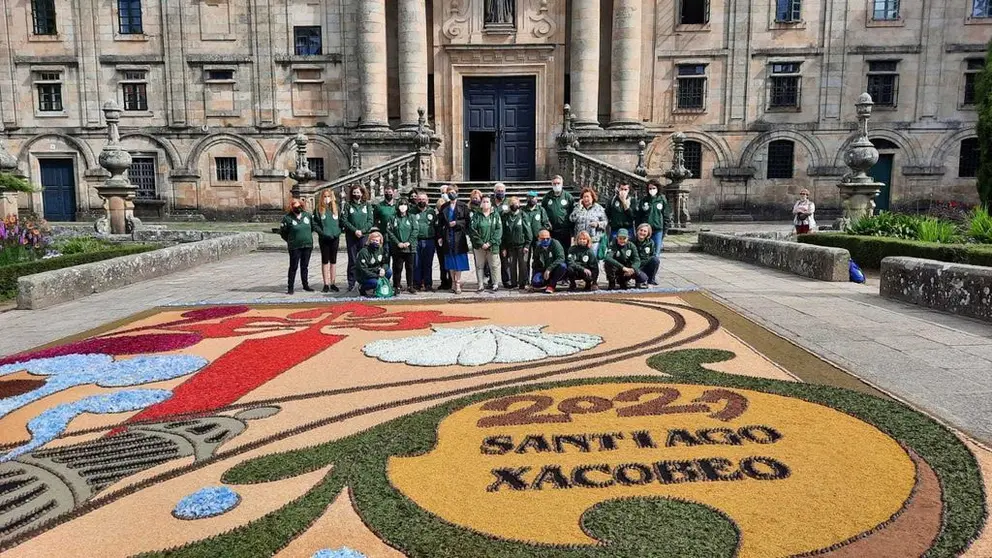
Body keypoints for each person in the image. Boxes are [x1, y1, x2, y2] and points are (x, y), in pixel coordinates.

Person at [439, 185, 472, 294]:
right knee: (450, 260)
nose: (451, 194)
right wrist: (440, 236)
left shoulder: (463, 206)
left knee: (458, 261)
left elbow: (467, 222)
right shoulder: (444, 207)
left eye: (453, 192)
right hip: (447, 236)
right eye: (449, 192)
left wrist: (457, 223)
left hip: (459, 237)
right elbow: (440, 223)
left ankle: (458, 282)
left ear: (457, 193)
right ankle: (452, 281)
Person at [279, 198, 316, 294]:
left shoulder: (307, 215)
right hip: (295, 246)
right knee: (293, 266)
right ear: (292, 207)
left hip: (307, 244)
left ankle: (305, 285)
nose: (297, 208)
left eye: (299, 206)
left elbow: (312, 227)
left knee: (305, 266)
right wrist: (291, 240)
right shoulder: (287, 218)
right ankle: (290, 287)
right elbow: (283, 232)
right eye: (295, 207)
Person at [342, 185, 374, 291]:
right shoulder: (348, 205)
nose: (356, 194)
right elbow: (345, 220)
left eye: (358, 192)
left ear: (362, 193)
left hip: (364, 236)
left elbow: (370, 220)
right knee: (352, 259)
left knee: (364, 259)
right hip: (351, 236)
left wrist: (362, 231)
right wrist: (355, 230)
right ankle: (351, 283)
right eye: (354, 192)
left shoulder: (367, 205)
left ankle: (364, 281)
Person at [470, 196, 503, 292]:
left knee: (494, 265)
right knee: (479, 266)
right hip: (479, 246)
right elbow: (473, 230)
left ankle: (495, 284)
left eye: (487, 202)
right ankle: (480, 285)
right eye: (483, 201)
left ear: (490, 203)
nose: (485, 203)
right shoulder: (476, 215)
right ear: (481, 203)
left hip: (492, 246)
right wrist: (481, 243)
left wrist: (490, 243)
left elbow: (499, 230)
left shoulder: (495, 215)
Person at [388, 197, 419, 294]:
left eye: (405, 204)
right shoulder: (393, 217)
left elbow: (415, 230)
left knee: (410, 267)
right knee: (398, 267)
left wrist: (408, 242)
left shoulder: (412, 217)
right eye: (401, 204)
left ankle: (410, 286)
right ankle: (397, 286)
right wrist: (398, 243)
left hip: (409, 247)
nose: (403, 207)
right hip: (398, 247)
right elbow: (390, 231)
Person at [313, 189, 341, 293]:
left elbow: (340, 222)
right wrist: (322, 233)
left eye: (328, 196)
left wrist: (338, 232)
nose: (326, 199)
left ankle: (333, 282)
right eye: (324, 197)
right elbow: (315, 224)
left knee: (333, 260)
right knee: (325, 260)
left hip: (335, 237)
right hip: (324, 238)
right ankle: (325, 283)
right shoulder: (318, 209)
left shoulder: (336, 208)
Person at [501, 196, 531, 290]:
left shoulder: (523, 215)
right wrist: (503, 247)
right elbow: (503, 233)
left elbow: (528, 231)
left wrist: (527, 244)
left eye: (516, 203)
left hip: (522, 245)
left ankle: (523, 283)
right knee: (511, 265)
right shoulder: (506, 216)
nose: (514, 205)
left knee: (523, 265)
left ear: (519, 204)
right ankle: (513, 283)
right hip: (510, 246)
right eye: (512, 203)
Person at [638, 179, 673, 256]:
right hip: (645, 231)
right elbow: (639, 216)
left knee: (656, 254)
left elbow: (666, 216)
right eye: (650, 188)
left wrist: (664, 231)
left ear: (658, 189)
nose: (652, 190)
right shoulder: (644, 200)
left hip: (658, 230)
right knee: (645, 253)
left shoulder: (662, 200)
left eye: (654, 188)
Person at [411, 189, 437, 291]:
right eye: (420, 199)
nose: (422, 201)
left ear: (427, 200)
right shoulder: (411, 211)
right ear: (416, 200)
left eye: (424, 199)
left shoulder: (431, 211)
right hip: (416, 240)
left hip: (429, 240)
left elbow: (436, 225)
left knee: (428, 263)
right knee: (416, 263)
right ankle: (417, 283)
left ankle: (428, 284)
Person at [569, 187, 608, 255]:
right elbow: (572, 219)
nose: (586, 199)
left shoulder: (599, 208)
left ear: (592, 197)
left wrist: (598, 224)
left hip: (593, 240)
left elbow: (605, 222)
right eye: (584, 197)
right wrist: (579, 207)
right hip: (580, 240)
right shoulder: (577, 207)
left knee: (593, 261)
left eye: (588, 197)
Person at [542, 175, 575, 252]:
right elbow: (543, 212)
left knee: (565, 251)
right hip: (552, 230)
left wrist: (572, 232)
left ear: (562, 184)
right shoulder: (547, 197)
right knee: (553, 251)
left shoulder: (568, 197)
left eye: (558, 183)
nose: (556, 185)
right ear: (552, 185)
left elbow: (573, 213)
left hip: (565, 231)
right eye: (554, 184)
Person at [355, 230, 391, 297]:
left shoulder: (381, 249)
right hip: (364, 275)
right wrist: (377, 276)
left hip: (376, 271)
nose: (375, 242)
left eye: (377, 241)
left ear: (380, 242)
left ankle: (378, 288)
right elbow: (363, 270)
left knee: (388, 272)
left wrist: (383, 269)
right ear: (369, 241)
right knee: (376, 282)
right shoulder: (364, 252)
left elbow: (385, 262)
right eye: (373, 240)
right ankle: (362, 288)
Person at [531, 229, 567, 294]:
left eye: (547, 238)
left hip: (554, 269)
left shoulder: (555, 243)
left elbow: (561, 258)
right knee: (535, 282)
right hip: (544, 271)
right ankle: (547, 282)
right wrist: (533, 279)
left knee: (563, 266)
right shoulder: (538, 248)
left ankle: (552, 285)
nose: (545, 240)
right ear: (539, 238)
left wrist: (549, 269)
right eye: (543, 238)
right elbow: (535, 263)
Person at [374, 185, 398, 269]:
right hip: (384, 235)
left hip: (396, 236)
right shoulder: (379, 206)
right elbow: (375, 220)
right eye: (386, 193)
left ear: (394, 193)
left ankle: (396, 281)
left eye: (390, 193)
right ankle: (385, 278)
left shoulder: (397, 206)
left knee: (397, 260)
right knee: (385, 258)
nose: (388, 194)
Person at [493, 182, 511, 287]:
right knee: (492, 261)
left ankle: (506, 280)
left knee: (505, 260)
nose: (500, 193)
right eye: (498, 191)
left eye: (502, 191)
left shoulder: (508, 202)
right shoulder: (490, 202)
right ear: (494, 192)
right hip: (493, 235)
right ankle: (492, 280)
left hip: (505, 235)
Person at [436, 185, 453, 290]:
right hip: (440, 242)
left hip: (449, 241)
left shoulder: (450, 216)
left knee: (449, 263)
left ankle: (451, 281)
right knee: (442, 263)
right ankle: (443, 281)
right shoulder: (437, 217)